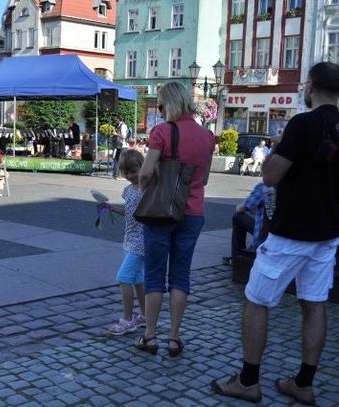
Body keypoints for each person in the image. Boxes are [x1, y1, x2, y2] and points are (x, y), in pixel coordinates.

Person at [212, 62, 339, 406]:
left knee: (256, 299)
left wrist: (279, 146)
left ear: (310, 86)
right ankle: (304, 383)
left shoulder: (303, 123)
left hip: (292, 231)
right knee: (314, 302)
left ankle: (248, 381)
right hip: (328, 232)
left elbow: (269, 176)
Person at [136, 82, 215, 356]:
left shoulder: (162, 131)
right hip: (193, 212)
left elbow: (146, 172)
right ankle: (173, 337)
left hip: (161, 212)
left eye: (160, 106)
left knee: (154, 273)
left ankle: (150, 336)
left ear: (168, 104)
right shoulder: (207, 136)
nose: (159, 111)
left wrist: (145, 189)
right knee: (181, 274)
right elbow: (204, 179)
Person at [105, 150, 146, 335]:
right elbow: (129, 212)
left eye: (133, 171)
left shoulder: (147, 188)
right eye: (126, 172)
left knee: (124, 277)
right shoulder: (128, 190)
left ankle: (128, 320)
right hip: (130, 239)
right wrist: (113, 209)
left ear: (142, 167)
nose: (130, 175)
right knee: (137, 279)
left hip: (142, 241)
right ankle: (145, 315)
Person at [222, 182, 276, 266]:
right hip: (284, 236)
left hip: (264, 237)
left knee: (238, 217)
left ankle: (236, 259)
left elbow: (242, 208)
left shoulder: (264, 187)